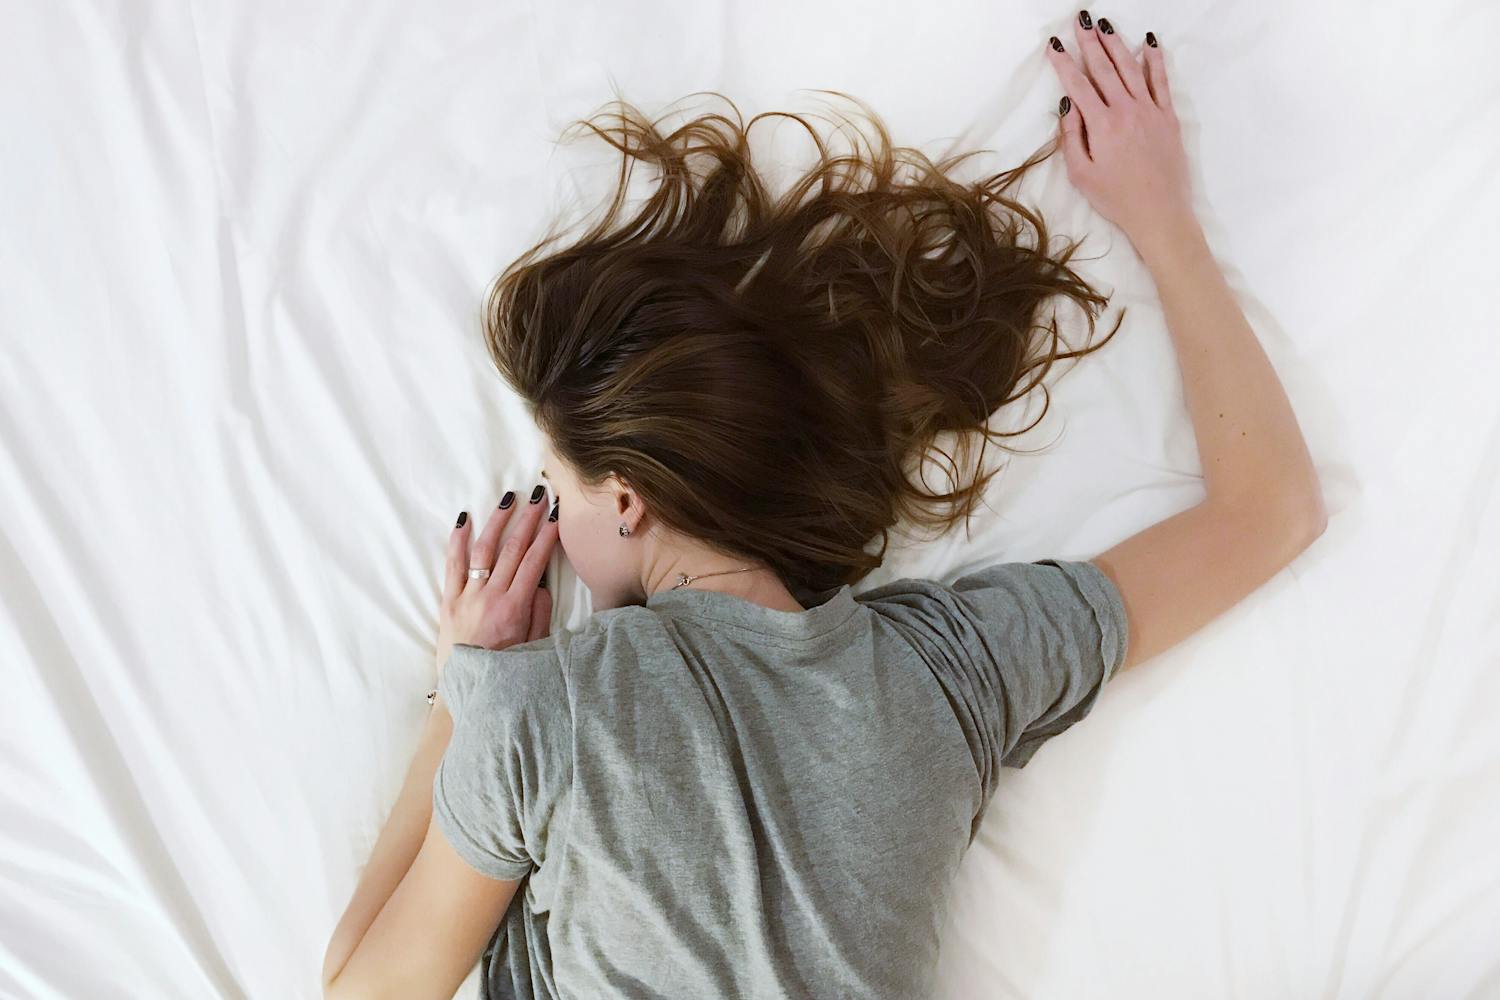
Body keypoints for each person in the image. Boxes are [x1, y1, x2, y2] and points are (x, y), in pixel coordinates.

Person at [322, 11, 1326, 999]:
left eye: (556, 489)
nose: (552, 522)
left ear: (626, 499)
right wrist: (1163, 221)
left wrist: (460, 693)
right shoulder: (950, 672)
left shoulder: (539, 712)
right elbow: (1271, 511)